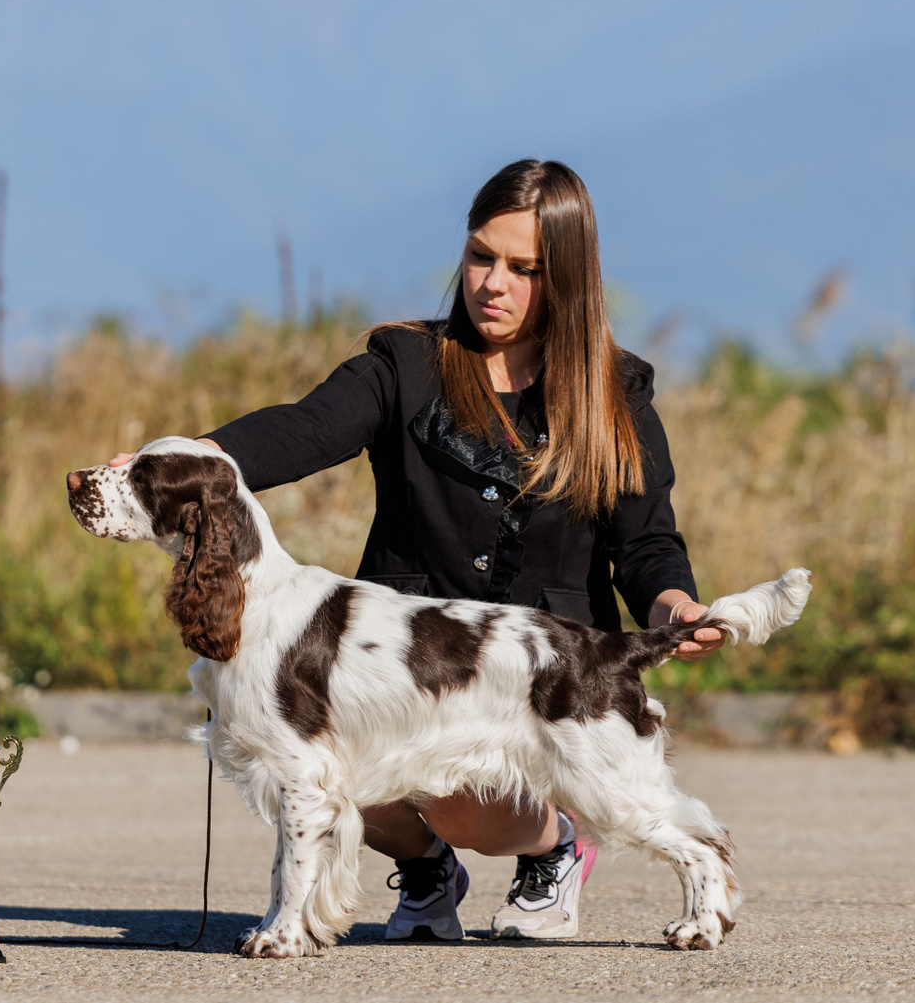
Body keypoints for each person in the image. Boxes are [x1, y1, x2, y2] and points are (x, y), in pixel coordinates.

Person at [108, 158, 723, 941]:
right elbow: (303, 428)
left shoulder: (613, 395)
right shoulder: (405, 365)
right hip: (401, 661)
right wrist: (194, 459)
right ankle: (428, 868)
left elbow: (647, 542)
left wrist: (673, 603)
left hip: (541, 675)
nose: (491, 283)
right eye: (480, 255)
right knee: (323, 749)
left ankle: (554, 847)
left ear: (568, 279)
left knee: (466, 805)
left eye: (524, 268)